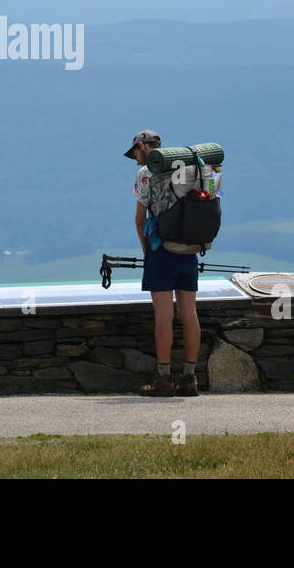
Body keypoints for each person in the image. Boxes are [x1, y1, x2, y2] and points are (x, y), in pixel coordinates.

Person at [126, 129, 201, 397]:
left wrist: (146, 249)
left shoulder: (145, 173)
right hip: (189, 247)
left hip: (160, 248)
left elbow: (139, 217)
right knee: (189, 313)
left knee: (164, 315)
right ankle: (190, 379)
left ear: (143, 145)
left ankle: (164, 378)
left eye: (135, 151)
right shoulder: (188, 168)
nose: (134, 157)